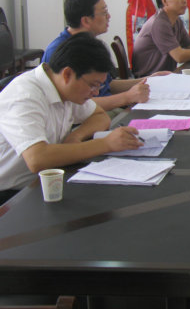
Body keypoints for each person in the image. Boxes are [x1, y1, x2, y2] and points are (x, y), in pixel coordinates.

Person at [0, 34, 144, 203]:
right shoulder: (25, 96)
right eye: (93, 85)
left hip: (46, 180)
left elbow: (100, 116)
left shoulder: (64, 88)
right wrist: (106, 144)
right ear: (67, 74)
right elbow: (37, 159)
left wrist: (76, 136)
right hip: (11, 195)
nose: (96, 92)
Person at [42, 0, 159, 111]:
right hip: (88, 115)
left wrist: (149, 80)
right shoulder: (61, 51)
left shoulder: (89, 44)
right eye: (104, 12)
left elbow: (106, 85)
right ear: (86, 20)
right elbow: (75, 106)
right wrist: (127, 97)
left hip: (105, 109)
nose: (109, 16)